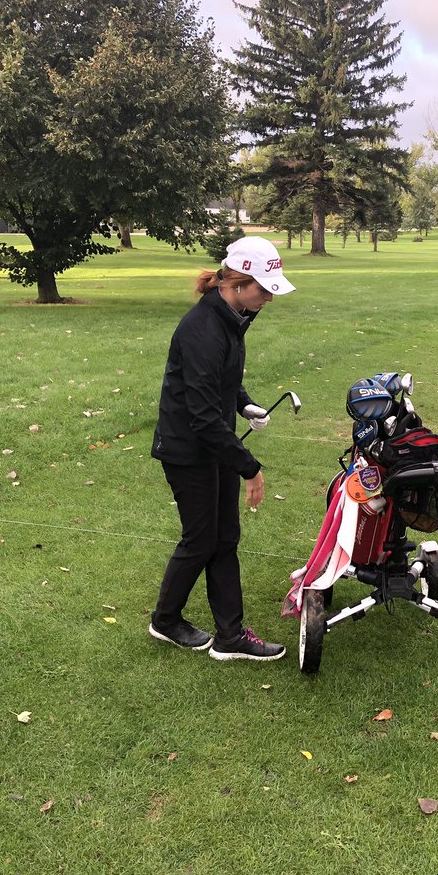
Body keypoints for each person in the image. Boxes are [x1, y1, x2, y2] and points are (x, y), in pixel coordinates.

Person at [149, 236, 295, 661]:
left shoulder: (232, 316)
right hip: (187, 449)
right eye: (263, 289)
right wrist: (249, 467)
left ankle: (231, 636)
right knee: (200, 540)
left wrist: (244, 403)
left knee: (225, 537)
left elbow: (220, 382)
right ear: (236, 281)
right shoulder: (202, 329)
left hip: (212, 444)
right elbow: (201, 416)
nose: (268, 298)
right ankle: (165, 620)